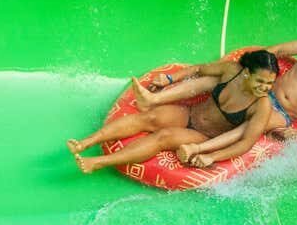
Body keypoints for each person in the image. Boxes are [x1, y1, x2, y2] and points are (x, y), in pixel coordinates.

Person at [135, 27, 297, 166]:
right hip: (265, 90)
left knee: (258, 121)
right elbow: (276, 51)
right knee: (216, 80)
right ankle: (156, 97)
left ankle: (201, 151)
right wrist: (247, 68)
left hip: (281, 113)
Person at [67, 49, 279, 172]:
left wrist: (213, 156)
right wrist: (170, 78)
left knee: (164, 137)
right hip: (190, 113)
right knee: (149, 117)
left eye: (270, 83)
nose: (265, 88)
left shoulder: (261, 106)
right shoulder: (231, 71)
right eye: (260, 81)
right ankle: (85, 142)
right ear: (246, 73)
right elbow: (198, 69)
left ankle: (98, 163)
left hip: (205, 135)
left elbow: (245, 143)